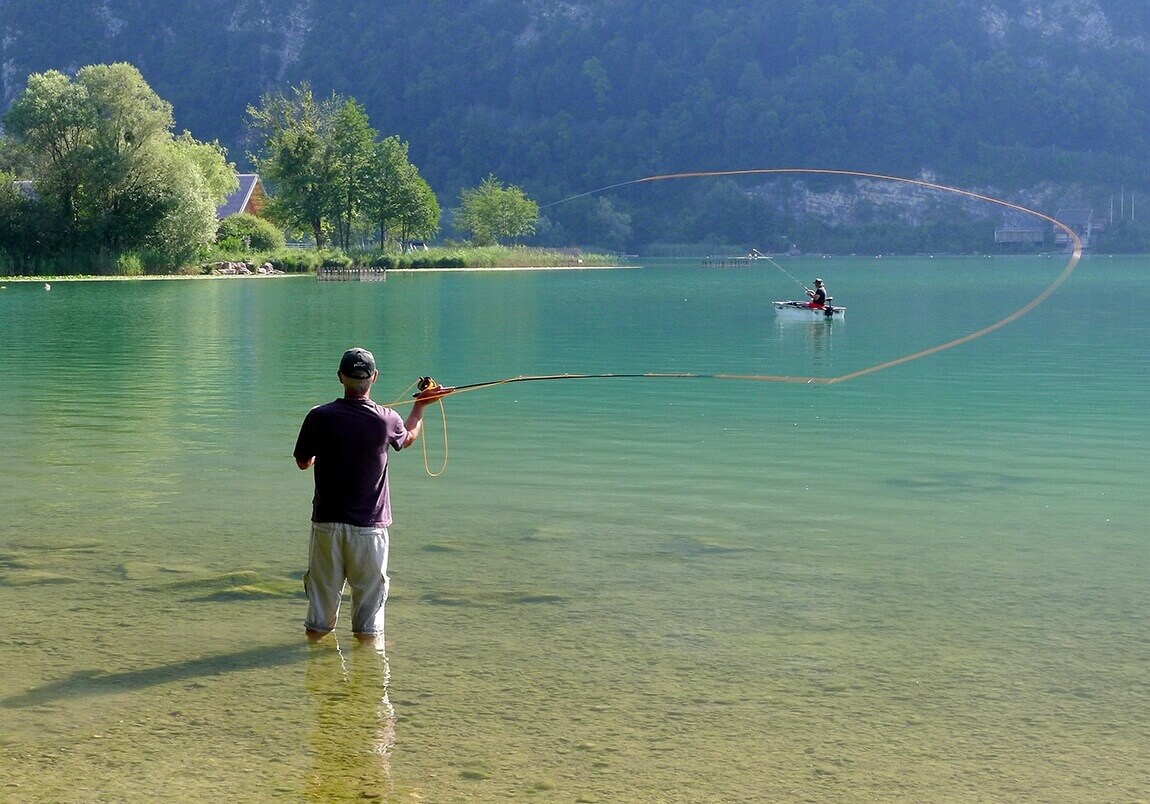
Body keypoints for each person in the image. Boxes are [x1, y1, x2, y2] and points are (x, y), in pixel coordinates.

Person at [294, 347, 430, 643]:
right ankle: (366, 682)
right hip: (370, 531)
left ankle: (317, 675)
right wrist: (421, 406)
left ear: (340, 377)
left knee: (319, 617)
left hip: (326, 527)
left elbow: (303, 462)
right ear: (374, 377)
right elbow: (407, 438)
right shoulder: (387, 419)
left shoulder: (318, 416)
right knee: (368, 624)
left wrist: (317, 457)